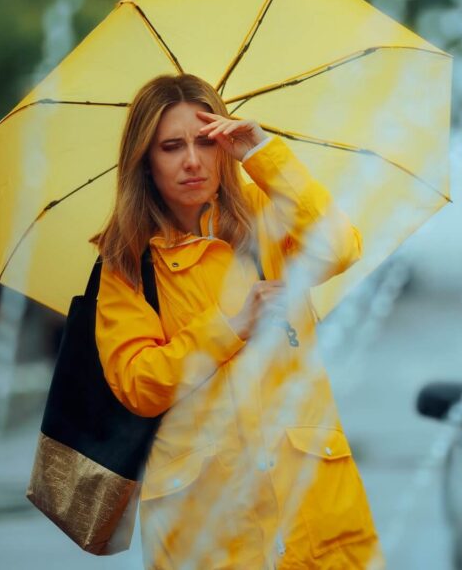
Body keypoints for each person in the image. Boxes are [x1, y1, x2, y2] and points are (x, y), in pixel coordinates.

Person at [92, 73, 384, 569]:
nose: (192, 160)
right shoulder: (128, 262)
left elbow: (339, 248)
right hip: (209, 530)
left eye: (206, 142)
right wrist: (229, 325)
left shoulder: (266, 214)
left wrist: (262, 152)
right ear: (145, 160)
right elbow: (138, 383)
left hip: (313, 510)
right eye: (171, 147)